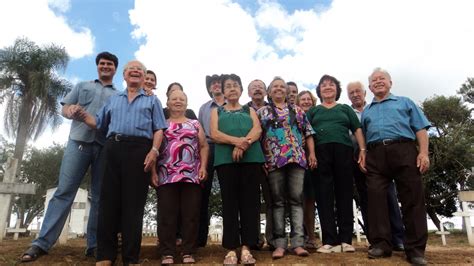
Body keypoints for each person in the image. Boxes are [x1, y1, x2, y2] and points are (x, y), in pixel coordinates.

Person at [20, 52, 119, 262]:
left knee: (100, 197)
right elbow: (65, 107)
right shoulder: (83, 85)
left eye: (109, 64)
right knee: (64, 192)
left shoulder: (118, 95)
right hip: (78, 143)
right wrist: (70, 110)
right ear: (97, 67)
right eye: (102, 63)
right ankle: (42, 243)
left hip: (104, 147)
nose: (105, 67)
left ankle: (94, 245)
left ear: (115, 69)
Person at [75, 59, 167, 265]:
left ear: (144, 78)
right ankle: (105, 256)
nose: (135, 71)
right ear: (124, 76)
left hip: (140, 150)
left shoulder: (152, 101)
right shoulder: (114, 99)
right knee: (107, 203)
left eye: (139, 70)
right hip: (113, 148)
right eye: (131, 69)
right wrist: (81, 115)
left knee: (134, 205)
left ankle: (130, 257)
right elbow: (98, 123)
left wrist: (153, 151)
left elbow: (159, 129)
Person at [361, 68, 430, 265]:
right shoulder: (367, 111)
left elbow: (420, 128)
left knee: (412, 198)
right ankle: (382, 244)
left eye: (382, 78)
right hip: (375, 155)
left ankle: (415, 250)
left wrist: (423, 152)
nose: (378, 82)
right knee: (376, 199)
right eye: (374, 80)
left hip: (404, 150)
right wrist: (364, 154)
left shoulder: (405, 102)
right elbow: (363, 138)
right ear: (370, 87)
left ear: (390, 83)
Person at [306, 75, 366, 253]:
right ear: (319, 90)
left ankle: (346, 240)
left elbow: (357, 129)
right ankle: (329, 240)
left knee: (344, 193)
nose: (327, 87)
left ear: (337, 90)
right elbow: (307, 133)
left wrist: (363, 150)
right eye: (323, 85)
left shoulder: (345, 109)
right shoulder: (314, 111)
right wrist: (311, 154)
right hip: (320, 153)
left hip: (344, 151)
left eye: (331, 85)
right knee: (324, 196)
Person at [258, 77, 317, 259]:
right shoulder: (262, 112)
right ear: (269, 91)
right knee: (277, 202)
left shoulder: (297, 111)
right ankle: (279, 244)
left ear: (286, 91)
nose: (278, 89)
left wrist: (312, 154)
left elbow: (308, 133)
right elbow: (257, 137)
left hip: (297, 159)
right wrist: (261, 160)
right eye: (275, 86)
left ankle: (298, 243)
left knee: (296, 201)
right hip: (274, 161)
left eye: (282, 87)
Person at [210, 74, 265, 265]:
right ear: (223, 92)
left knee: (250, 203)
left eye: (235, 86)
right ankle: (231, 249)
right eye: (228, 86)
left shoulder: (249, 110)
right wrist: (237, 142)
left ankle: (248, 247)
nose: (232, 89)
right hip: (225, 161)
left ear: (241, 90)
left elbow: (257, 130)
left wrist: (244, 145)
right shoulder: (217, 111)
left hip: (252, 159)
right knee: (230, 203)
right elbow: (215, 134)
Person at [152, 89, 208, 265]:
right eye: (174, 99)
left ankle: (188, 251)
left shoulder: (195, 124)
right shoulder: (160, 124)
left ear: (186, 103)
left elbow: (204, 146)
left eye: (181, 99)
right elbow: (153, 149)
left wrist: (204, 167)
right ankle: (167, 252)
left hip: (191, 174)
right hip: (166, 175)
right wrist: (153, 172)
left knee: (190, 214)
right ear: (167, 103)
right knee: (167, 214)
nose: (178, 101)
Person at [347, 81, 405, 251]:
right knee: (366, 200)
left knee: (389, 196)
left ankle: (398, 238)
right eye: (351, 93)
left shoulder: (375, 107)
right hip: (358, 160)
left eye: (358, 91)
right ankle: (376, 240)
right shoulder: (347, 113)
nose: (355, 95)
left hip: (380, 157)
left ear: (365, 92)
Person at [197, 74, 225, 247]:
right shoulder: (204, 108)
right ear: (209, 88)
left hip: (228, 148)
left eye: (218, 82)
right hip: (208, 148)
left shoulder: (233, 105)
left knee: (229, 193)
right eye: (212, 83)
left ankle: (231, 238)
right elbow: (199, 132)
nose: (215, 85)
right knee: (202, 193)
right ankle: (200, 238)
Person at [246, 79, 273, 249]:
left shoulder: (274, 110)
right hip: (250, 159)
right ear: (248, 93)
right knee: (251, 200)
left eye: (260, 87)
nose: (257, 90)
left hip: (272, 160)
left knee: (273, 200)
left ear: (266, 92)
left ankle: (272, 239)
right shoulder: (243, 111)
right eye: (253, 88)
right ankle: (254, 238)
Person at [295, 90, 318, 249]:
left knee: (311, 199)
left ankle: (312, 237)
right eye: (302, 99)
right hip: (297, 160)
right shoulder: (293, 115)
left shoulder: (317, 115)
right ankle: (301, 237)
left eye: (308, 99)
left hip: (315, 159)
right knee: (300, 199)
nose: (306, 101)